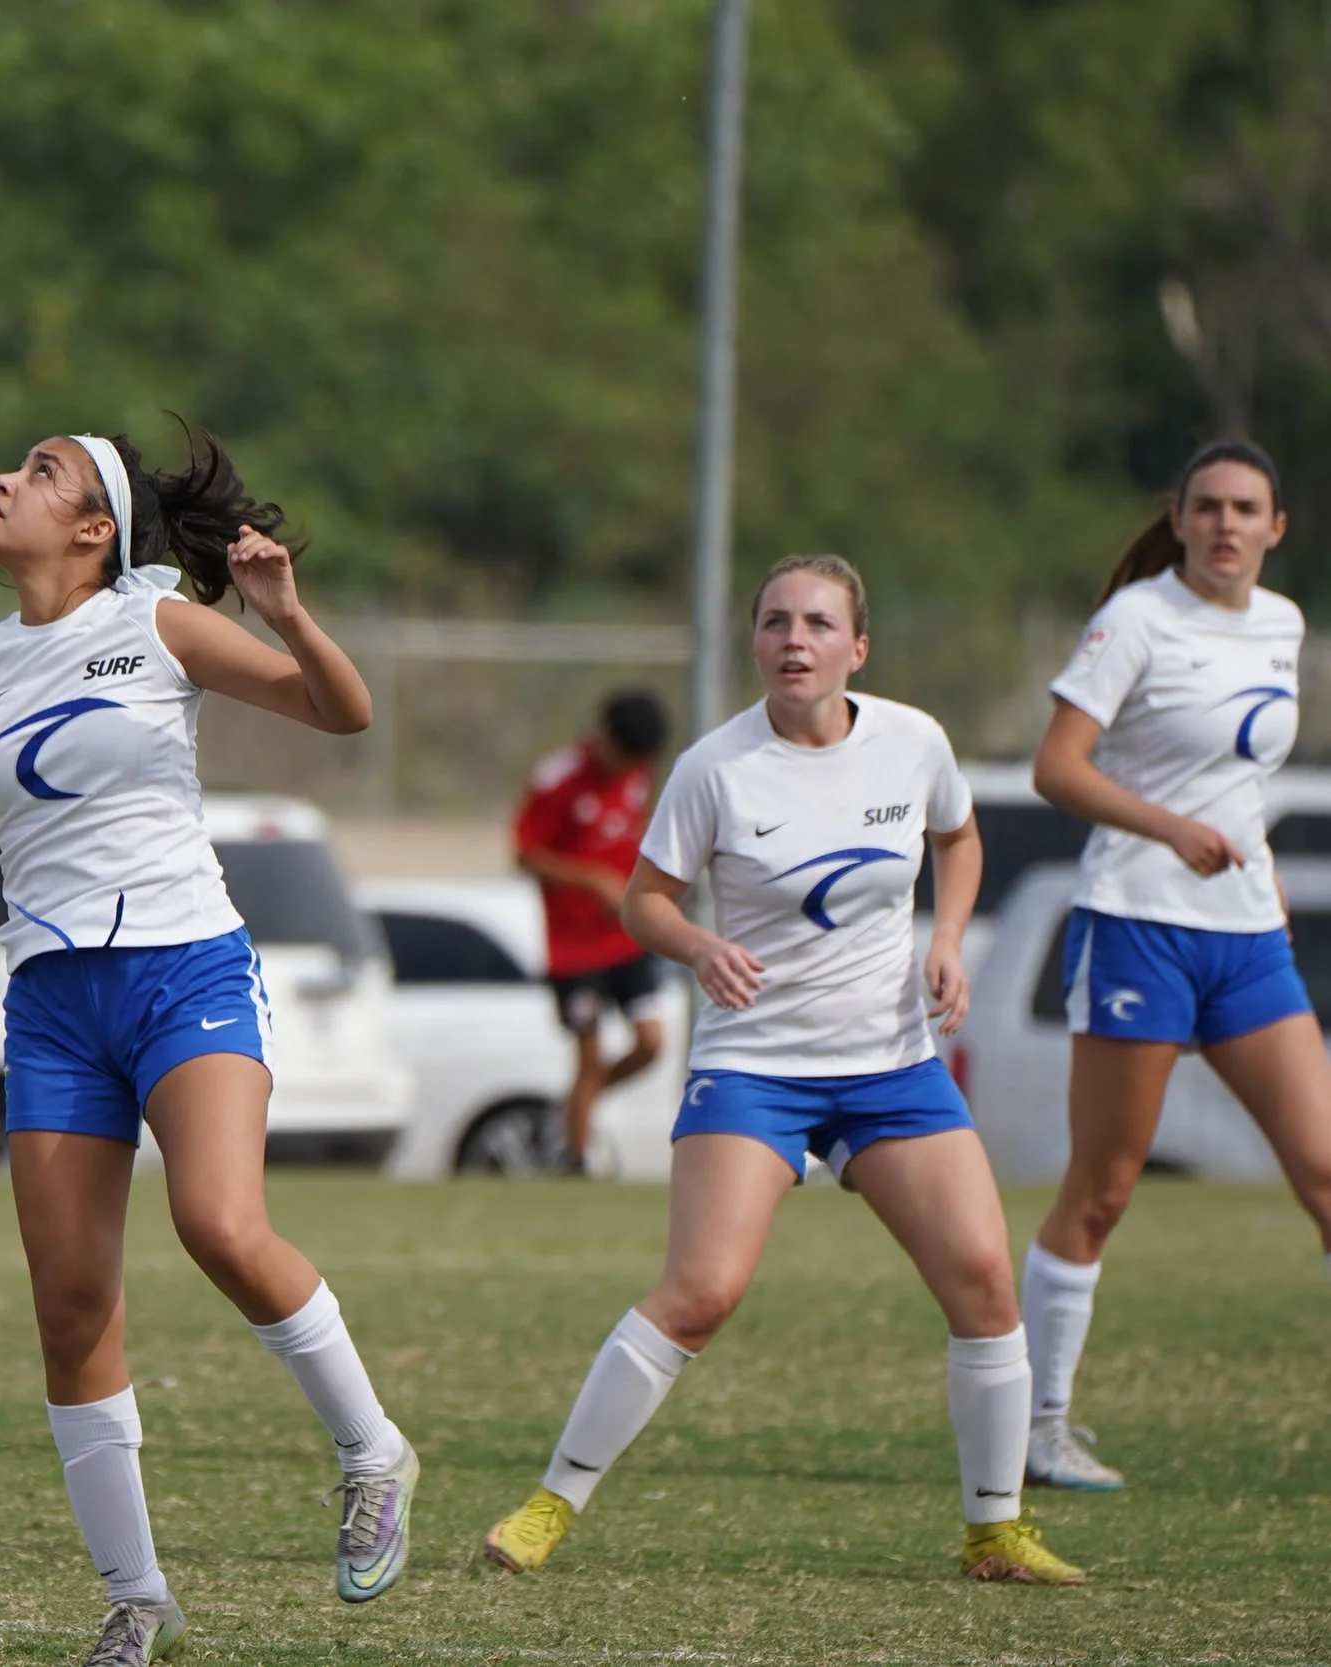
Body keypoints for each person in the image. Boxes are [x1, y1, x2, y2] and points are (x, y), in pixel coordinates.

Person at [0, 427, 413, 1664]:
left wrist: (288, 612)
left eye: (43, 471)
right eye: (15, 464)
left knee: (221, 1224)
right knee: (71, 1309)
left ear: (92, 530)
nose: (6, 477)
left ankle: (371, 1450)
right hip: (54, 1003)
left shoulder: (160, 626)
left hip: (187, 972)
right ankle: (138, 1601)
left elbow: (340, 711)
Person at [481, 555, 1087, 1587]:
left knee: (985, 1281)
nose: (793, 639)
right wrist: (698, 946)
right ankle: (549, 1502)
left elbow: (961, 835)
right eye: (773, 622)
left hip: (891, 1064)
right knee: (701, 1291)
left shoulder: (914, 741)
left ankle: (994, 1532)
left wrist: (947, 936)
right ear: (754, 642)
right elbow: (644, 902)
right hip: (755, 1065)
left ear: (857, 646)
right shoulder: (716, 767)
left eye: (815, 622)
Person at [1019, 438, 1331, 1491]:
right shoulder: (1136, 619)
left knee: (1325, 1173)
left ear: (1275, 527)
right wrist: (1168, 830)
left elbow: (1237, 774)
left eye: (1247, 507)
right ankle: (1038, 1423)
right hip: (1135, 920)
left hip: (1246, 934)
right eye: (1207, 506)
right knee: (1102, 1189)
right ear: (1182, 517)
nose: (1226, 524)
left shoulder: (1283, 623)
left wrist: (1256, 865)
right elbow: (1055, 767)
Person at [514, 691, 671, 1173]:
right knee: (588, 1053)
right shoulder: (558, 780)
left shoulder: (637, 777)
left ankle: (574, 1110)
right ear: (605, 739)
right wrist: (592, 880)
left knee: (651, 1043)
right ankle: (578, 1159)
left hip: (624, 941)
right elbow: (525, 855)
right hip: (573, 951)